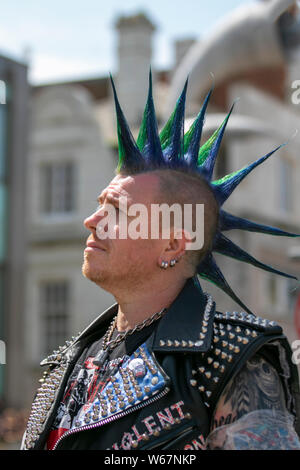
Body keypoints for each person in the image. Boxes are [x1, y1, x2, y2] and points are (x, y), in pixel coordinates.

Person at [21, 72, 300, 450]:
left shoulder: (234, 362)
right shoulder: (70, 361)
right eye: (99, 205)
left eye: (117, 211)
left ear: (172, 244)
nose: (92, 220)